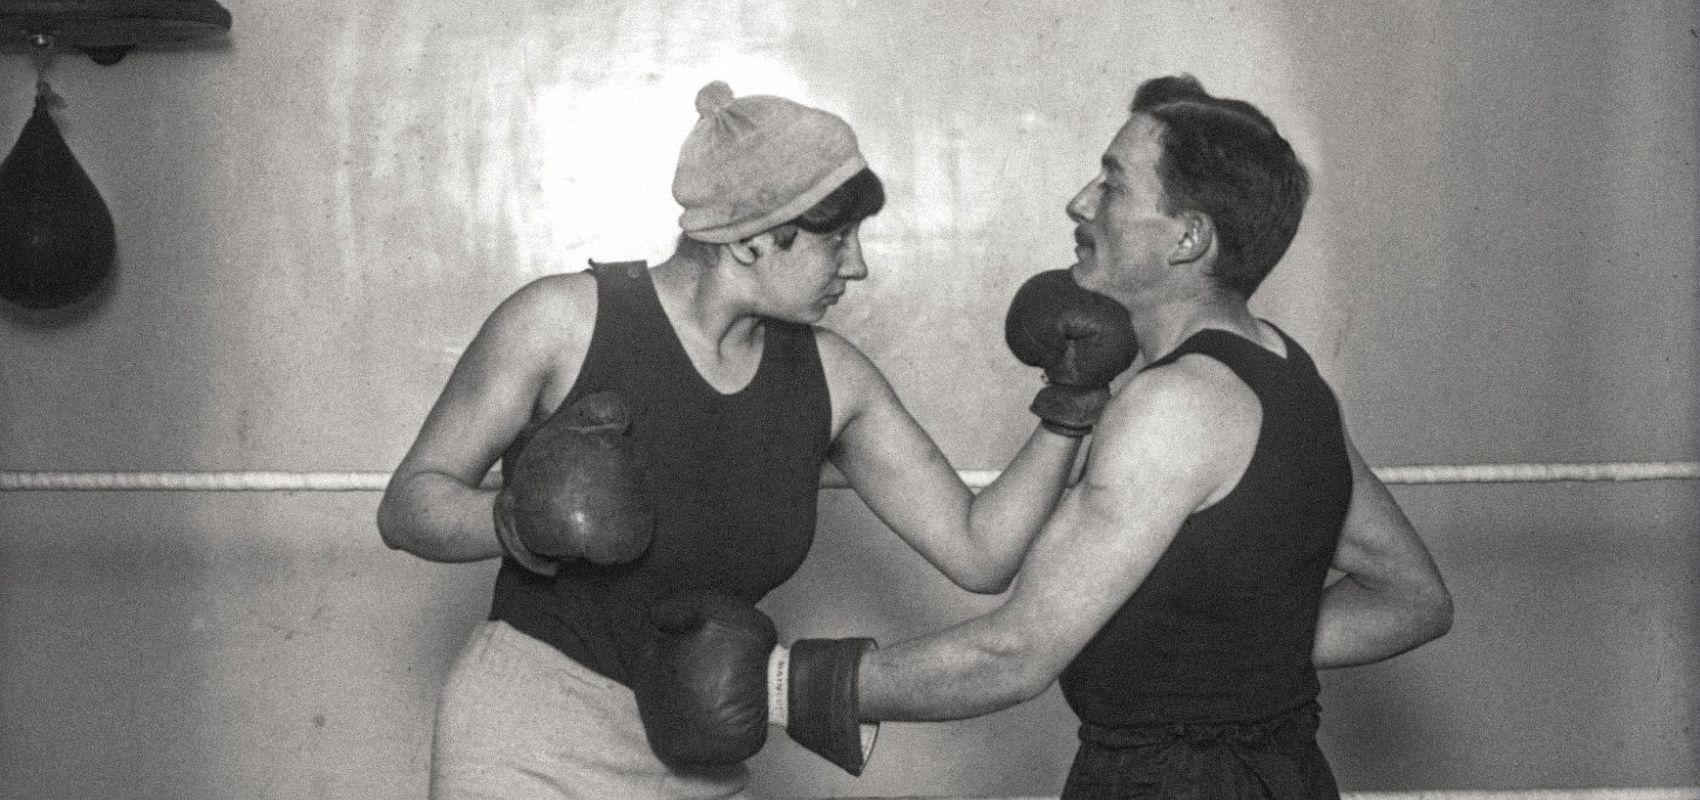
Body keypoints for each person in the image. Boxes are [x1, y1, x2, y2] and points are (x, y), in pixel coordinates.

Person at [636, 75, 1455, 799]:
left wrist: (781, 684)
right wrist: (1229, 655)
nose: (1078, 203)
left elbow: (1014, 654)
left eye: (1112, 183)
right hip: (1286, 774)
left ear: (1188, 238)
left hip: (1165, 783)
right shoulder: (1283, 373)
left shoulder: (1173, 408)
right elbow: (1412, 596)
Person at [376, 80, 1140, 799]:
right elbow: (409, 506)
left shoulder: (833, 379)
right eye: (835, 239)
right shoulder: (560, 323)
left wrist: (1069, 407)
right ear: (750, 240)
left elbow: (981, 552)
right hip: (527, 737)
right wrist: (515, 520)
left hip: (697, 745)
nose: (859, 265)